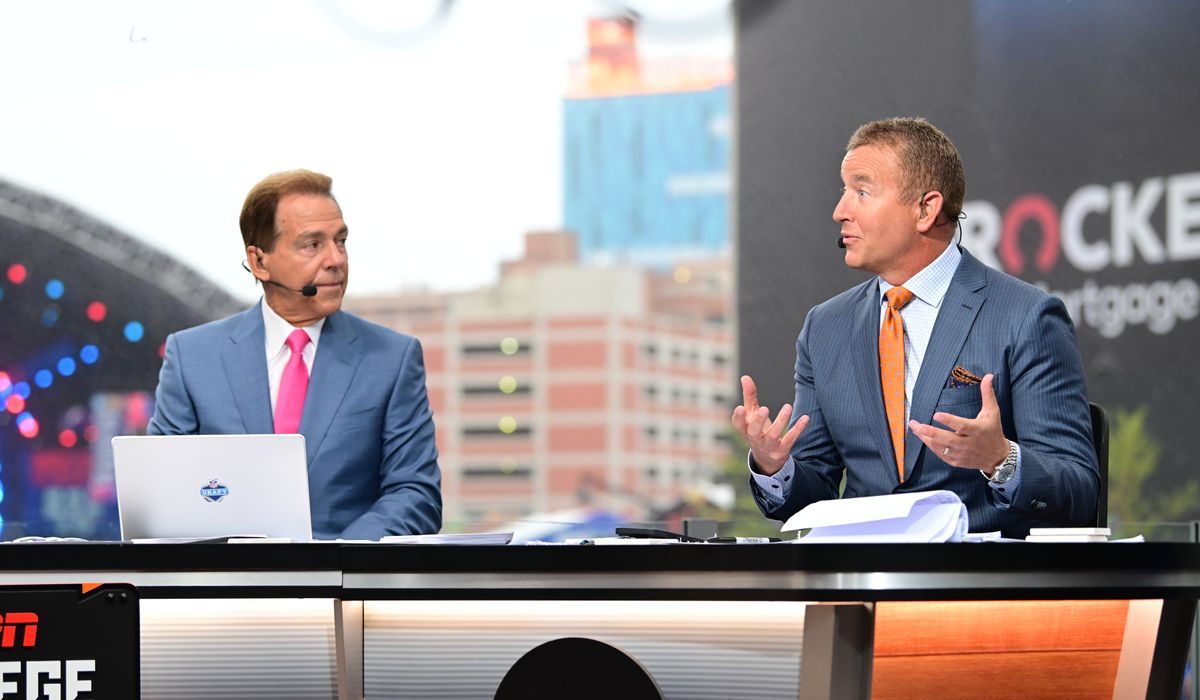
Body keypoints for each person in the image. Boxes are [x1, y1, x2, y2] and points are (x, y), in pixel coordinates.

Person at [733, 118, 1098, 538]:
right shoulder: (824, 327)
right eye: (843, 190)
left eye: (862, 191)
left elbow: (1079, 491)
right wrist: (775, 467)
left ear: (926, 209)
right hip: (862, 583)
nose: (840, 211)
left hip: (977, 590)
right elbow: (813, 498)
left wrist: (1001, 459)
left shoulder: (1026, 316)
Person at [148, 169, 442, 540]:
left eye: (341, 240)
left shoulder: (393, 359)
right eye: (312, 245)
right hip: (226, 591)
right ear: (259, 262)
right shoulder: (191, 357)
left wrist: (329, 561)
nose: (336, 259)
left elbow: (416, 495)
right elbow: (163, 496)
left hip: (343, 588)